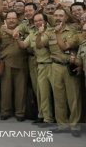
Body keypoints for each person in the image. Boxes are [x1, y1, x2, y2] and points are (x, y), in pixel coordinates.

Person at [36, 9, 81, 137]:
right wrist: (39, 34)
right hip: (55, 66)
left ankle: (75, 126)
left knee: (73, 98)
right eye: (55, 15)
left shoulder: (72, 31)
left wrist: (58, 33)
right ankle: (62, 125)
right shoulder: (49, 31)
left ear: (65, 18)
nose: (58, 18)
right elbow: (39, 45)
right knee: (58, 98)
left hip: (69, 66)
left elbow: (65, 47)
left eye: (61, 16)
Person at [16, 13, 55, 126]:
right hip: (39, 65)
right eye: (36, 21)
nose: (38, 23)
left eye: (40, 20)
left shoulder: (51, 32)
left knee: (51, 94)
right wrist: (17, 38)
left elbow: (40, 45)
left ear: (46, 21)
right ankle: (42, 116)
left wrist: (41, 33)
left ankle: (52, 118)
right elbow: (23, 45)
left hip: (51, 65)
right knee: (40, 92)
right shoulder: (33, 33)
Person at [0, 11, 28, 121]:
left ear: (17, 19)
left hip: (21, 63)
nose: (11, 20)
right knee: (5, 90)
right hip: (6, 64)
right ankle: (5, 111)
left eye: (13, 18)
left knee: (21, 91)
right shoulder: (0, 29)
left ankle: (20, 113)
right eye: (9, 18)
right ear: (6, 19)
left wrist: (7, 30)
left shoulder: (23, 28)